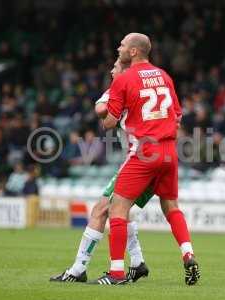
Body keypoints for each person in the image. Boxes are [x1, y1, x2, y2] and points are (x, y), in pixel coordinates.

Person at [90, 33, 200, 285]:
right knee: (171, 206)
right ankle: (188, 254)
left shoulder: (124, 79)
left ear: (133, 52)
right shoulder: (164, 76)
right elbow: (178, 116)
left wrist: (101, 105)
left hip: (143, 151)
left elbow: (109, 123)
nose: (118, 46)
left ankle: (116, 273)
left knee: (118, 208)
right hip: (169, 151)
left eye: (122, 44)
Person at [50, 59, 153, 283]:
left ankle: (78, 269)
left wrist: (115, 99)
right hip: (155, 160)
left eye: (115, 66)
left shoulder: (120, 88)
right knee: (123, 212)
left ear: (125, 71)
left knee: (100, 210)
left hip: (138, 162)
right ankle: (137, 262)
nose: (111, 69)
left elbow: (101, 112)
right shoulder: (147, 89)